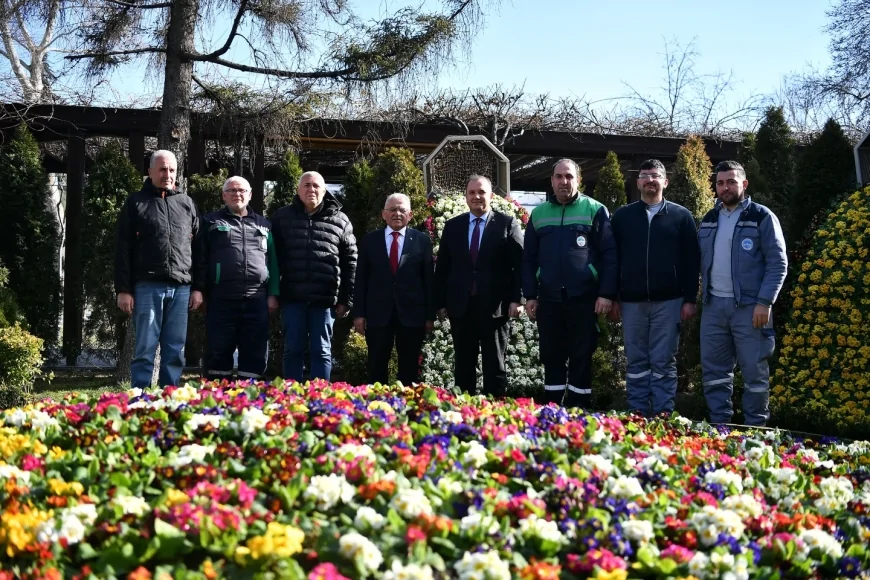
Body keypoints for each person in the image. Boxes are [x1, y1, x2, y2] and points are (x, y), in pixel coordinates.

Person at [522, 159, 617, 408]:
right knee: (551, 355)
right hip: (549, 299)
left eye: (569, 176)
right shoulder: (539, 214)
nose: (564, 181)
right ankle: (551, 409)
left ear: (578, 180)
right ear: (551, 181)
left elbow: (609, 255)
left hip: (584, 298)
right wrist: (530, 295)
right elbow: (529, 257)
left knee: (581, 356)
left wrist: (606, 293)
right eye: (558, 177)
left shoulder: (595, 209)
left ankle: (578, 410)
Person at [699, 160, 787, 426]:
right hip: (714, 307)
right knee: (714, 372)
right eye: (720, 183)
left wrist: (765, 301)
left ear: (744, 184)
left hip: (751, 309)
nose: (725, 187)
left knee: (754, 371)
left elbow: (778, 262)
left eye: (731, 182)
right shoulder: (709, 219)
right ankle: (720, 427)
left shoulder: (761, 217)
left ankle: (755, 430)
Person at [610, 159, 700, 417]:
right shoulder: (623, 217)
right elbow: (612, 259)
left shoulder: (681, 217)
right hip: (631, 302)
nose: (650, 180)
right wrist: (613, 297)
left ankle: (664, 414)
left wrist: (690, 298)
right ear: (637, 182)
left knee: (663, 361)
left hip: (669, 302)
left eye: (655, 175)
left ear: (665, 181)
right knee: (636, 361)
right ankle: (636, 413)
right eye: (645, 175)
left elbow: (692, 261)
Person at [114, 150, 203, 388]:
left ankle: (171, 398)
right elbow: (123, 249)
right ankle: (140, 399)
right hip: (147, 287)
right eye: (162, 169)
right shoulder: (136, 203)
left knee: (175, 350)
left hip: (182, 288)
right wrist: (123, 289)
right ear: (150, 171)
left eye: (172, 170)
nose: (168, 174)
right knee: (145, 348)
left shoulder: (186, 203)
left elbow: (198, 249)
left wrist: (198, 288)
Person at [434, 175, 524, 396]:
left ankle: (495, 413)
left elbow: (521, 265)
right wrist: (440, 303)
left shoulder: (506, 223)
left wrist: (517, 299)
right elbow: (443, 268)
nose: (476, 197)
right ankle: (464, 412)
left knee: (495, 365)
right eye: (472, 193)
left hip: (495, 308)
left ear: (490, 195)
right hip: (461, 307)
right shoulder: (453, 226)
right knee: (463, 364)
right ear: (466, 197)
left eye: (481, 192)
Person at [271, 171, 357, 382]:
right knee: (292, 350)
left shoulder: (340, 220)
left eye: (316, 186)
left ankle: (321, 400)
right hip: (293, 298)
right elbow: (271, 259)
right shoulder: (282, 217)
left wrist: (347, 299)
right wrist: (273, 292)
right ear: (298, 190)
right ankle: (291, 398)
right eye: (307, 185)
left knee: (322, 352)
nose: (311, 189)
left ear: (324, 190)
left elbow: (351, 262)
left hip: (325, 301)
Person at [196, 176, 279, 381]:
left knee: (255, 354)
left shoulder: (264, 225)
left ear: (250, 195)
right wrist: (200, 290)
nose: (237, 194)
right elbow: (200, 259)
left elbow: (274, 263)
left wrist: (273, 293)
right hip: (220, 299)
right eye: (231, 191)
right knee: (218, 351)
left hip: (256, 300)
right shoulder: (210, 222)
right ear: (224, 195)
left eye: (241, 190)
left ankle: (249, 401)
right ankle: (216, 402)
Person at [353, 193, 434, 385]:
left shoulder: (422, 241)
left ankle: (407, 409)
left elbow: (429, 280)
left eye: (402, 209)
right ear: (384, 214)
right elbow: (361, 280)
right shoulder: (369, 241)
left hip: (412, 315)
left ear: (411, 214)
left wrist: (429, 315)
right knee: (376, 366)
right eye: (392, 209)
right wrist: (359, 314)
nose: (397, 213)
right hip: (378, 315)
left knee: (409, 369)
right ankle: (378, 409)